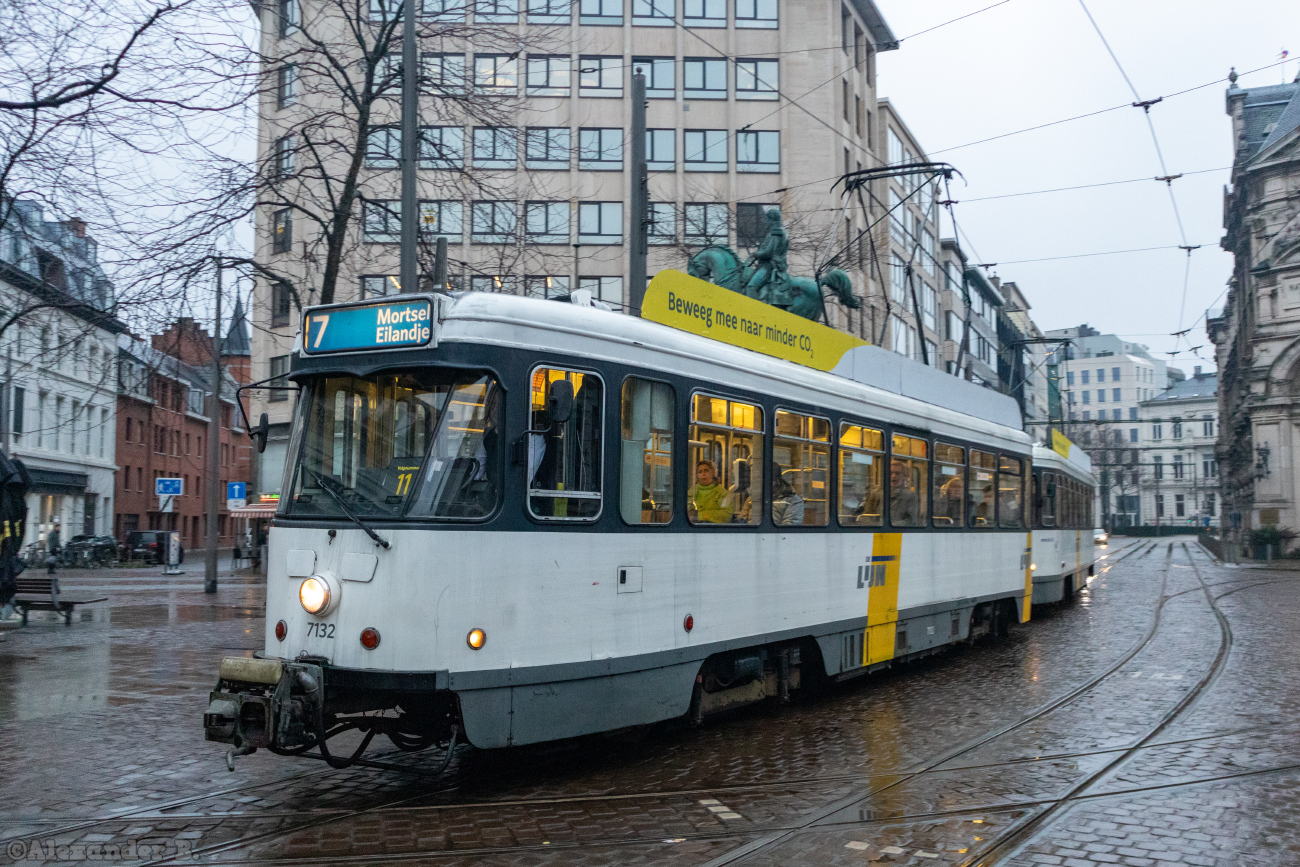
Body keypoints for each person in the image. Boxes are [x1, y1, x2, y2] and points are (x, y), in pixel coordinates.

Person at [889, 458, 921, 525]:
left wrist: (890, 526)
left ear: (904, 476)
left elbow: (911, 520)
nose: (893, 476)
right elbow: (866, 515)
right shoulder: (877, 493)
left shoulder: (910, 496)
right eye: (890, 473)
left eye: (897, 473)